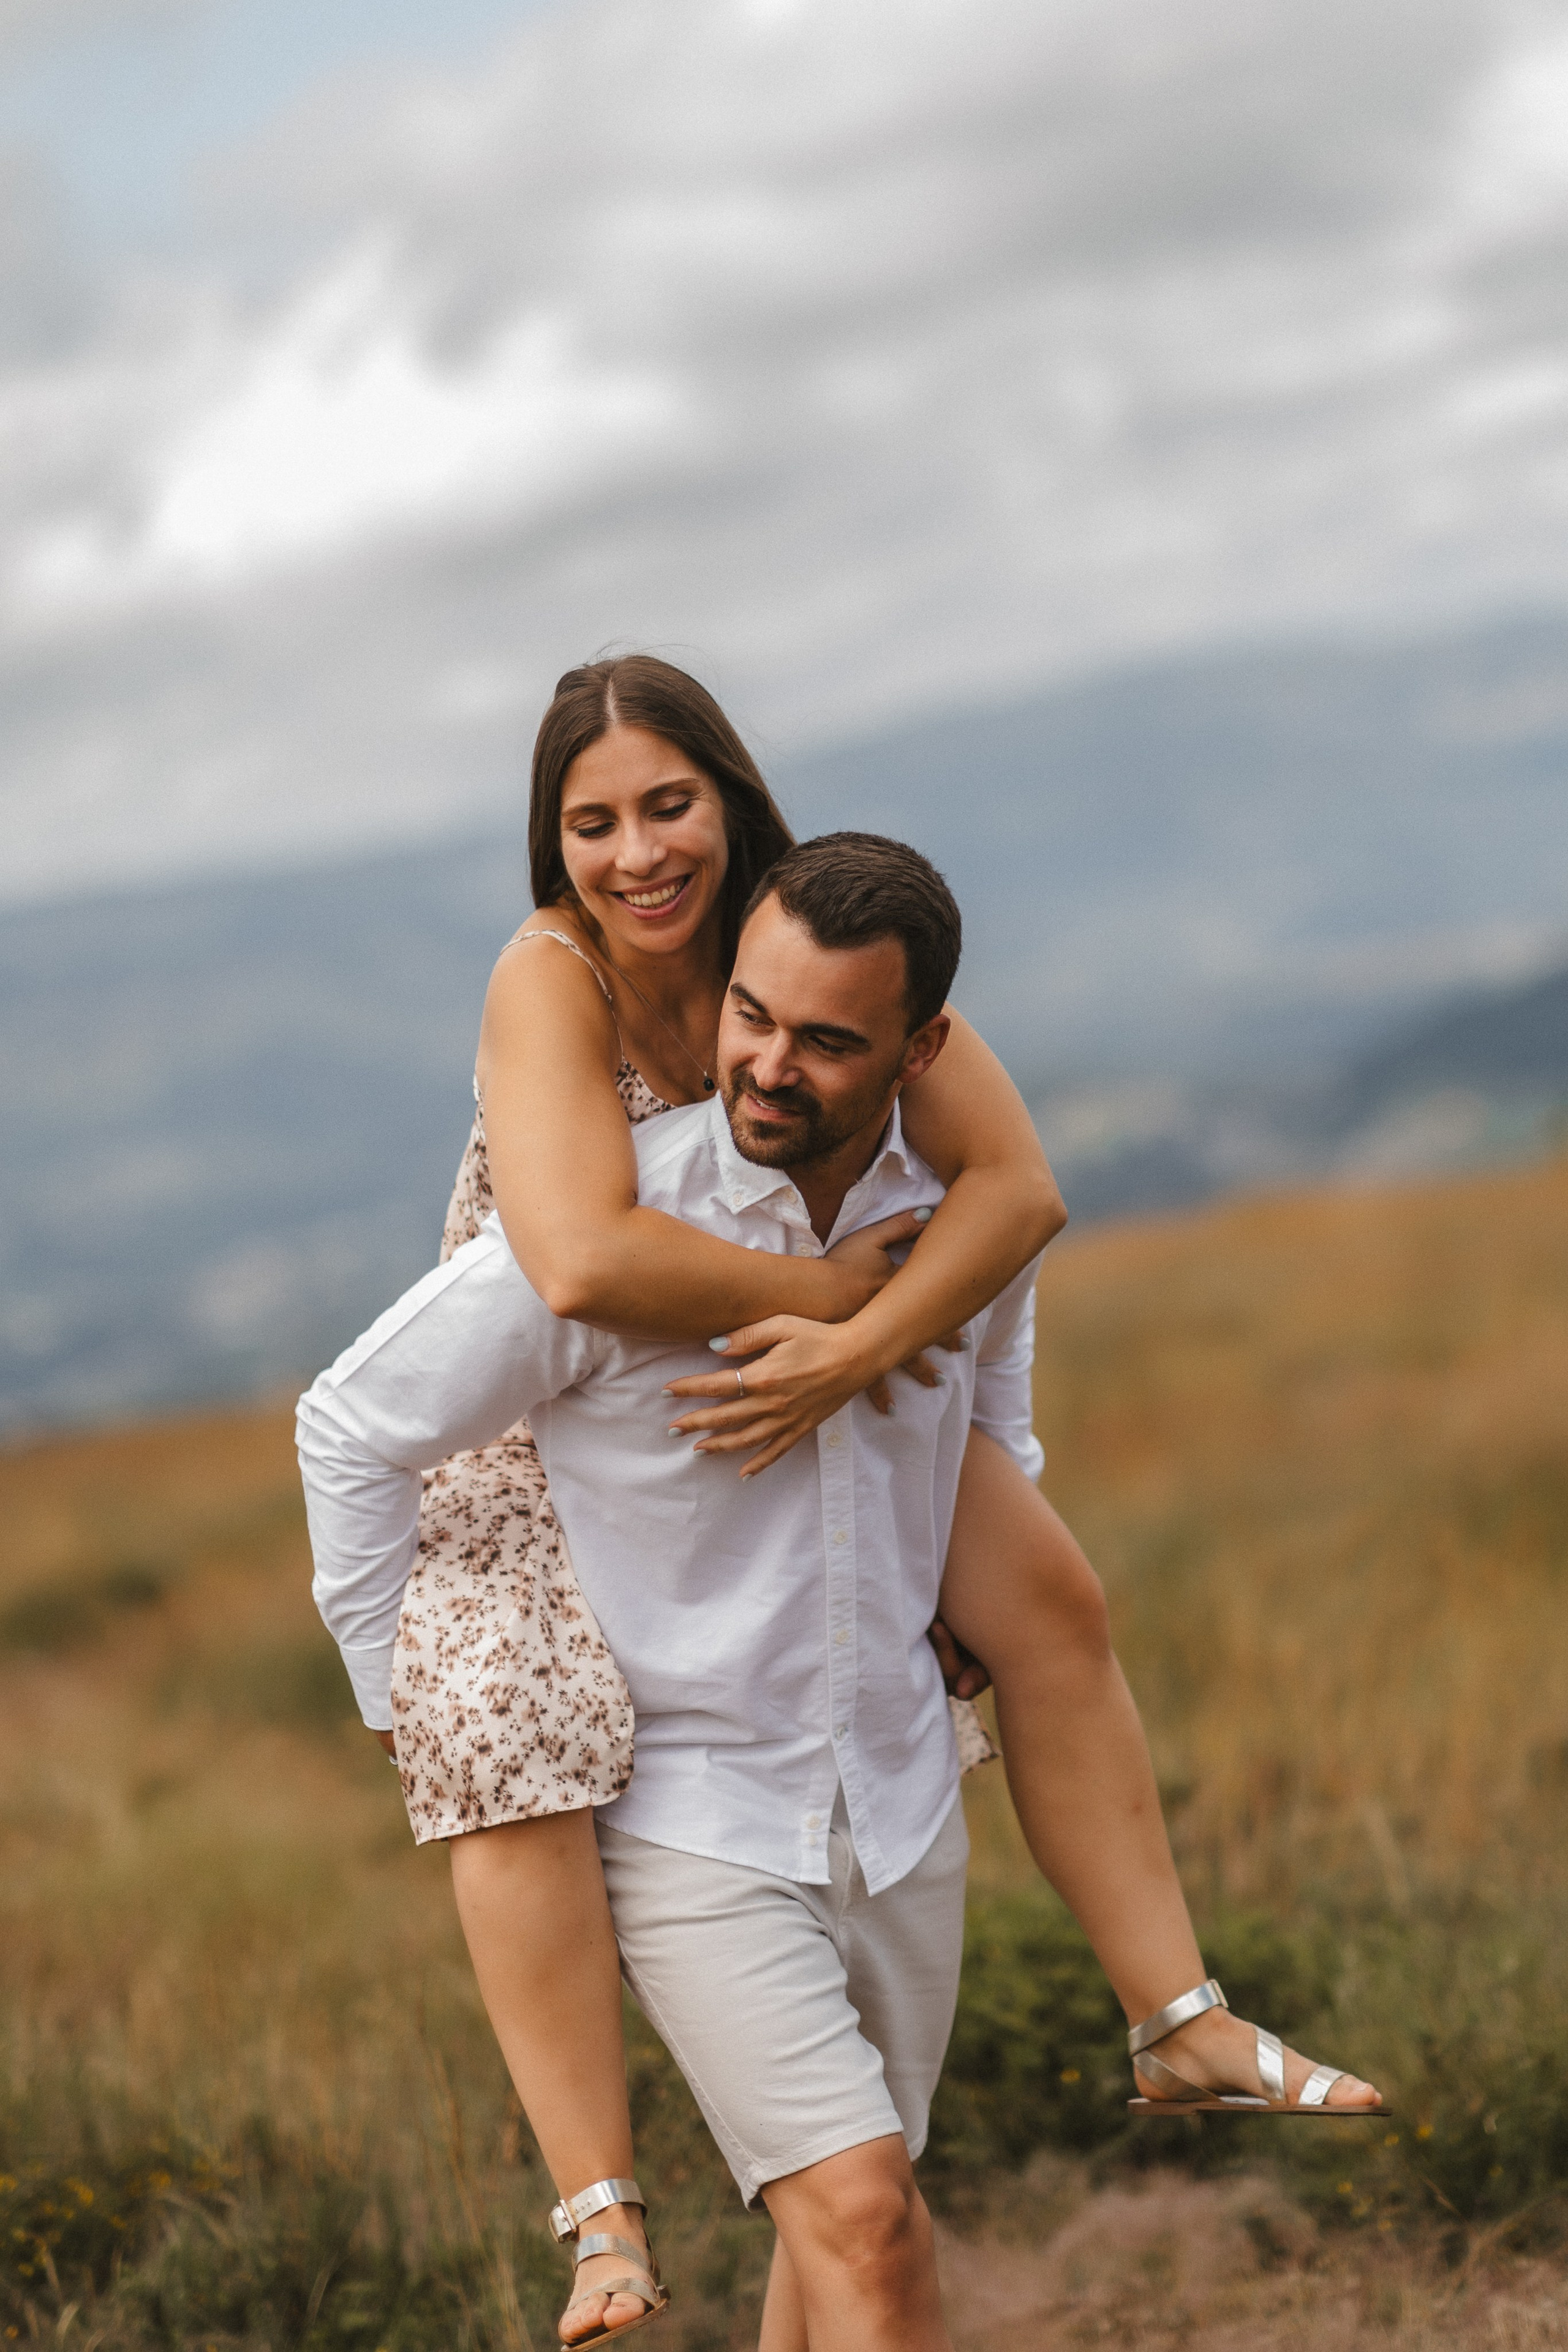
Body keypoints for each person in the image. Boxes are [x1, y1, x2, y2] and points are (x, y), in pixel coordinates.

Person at [320, 660, 1380, 2343]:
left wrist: (879, 1343)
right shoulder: (553, 976)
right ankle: (602, 2214)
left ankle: (1173, 2008)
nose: (635, 851)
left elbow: (1011, 1198)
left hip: (821, 1363)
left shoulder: (825, 935)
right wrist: (827, 1315)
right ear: (554, 840)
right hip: (562, 1383)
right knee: (504, 1752)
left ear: (732, 803)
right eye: (591, 820)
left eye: (668, 804)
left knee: (1049, 1605)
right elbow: (583, 1254)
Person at [300, 837, 1058, 2350]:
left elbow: (993, 1388)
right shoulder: (615, 1223)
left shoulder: (936, 1202)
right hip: (692, 1807)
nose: (773, 1063)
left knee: (853, 2220)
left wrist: (965, 1564)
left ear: (916, 1052)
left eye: (827, 1038)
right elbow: (349, 1423)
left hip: (889, 1788)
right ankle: (603, 2221)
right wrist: (390, 1688)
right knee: (862, 2222)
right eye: (752, 1021)